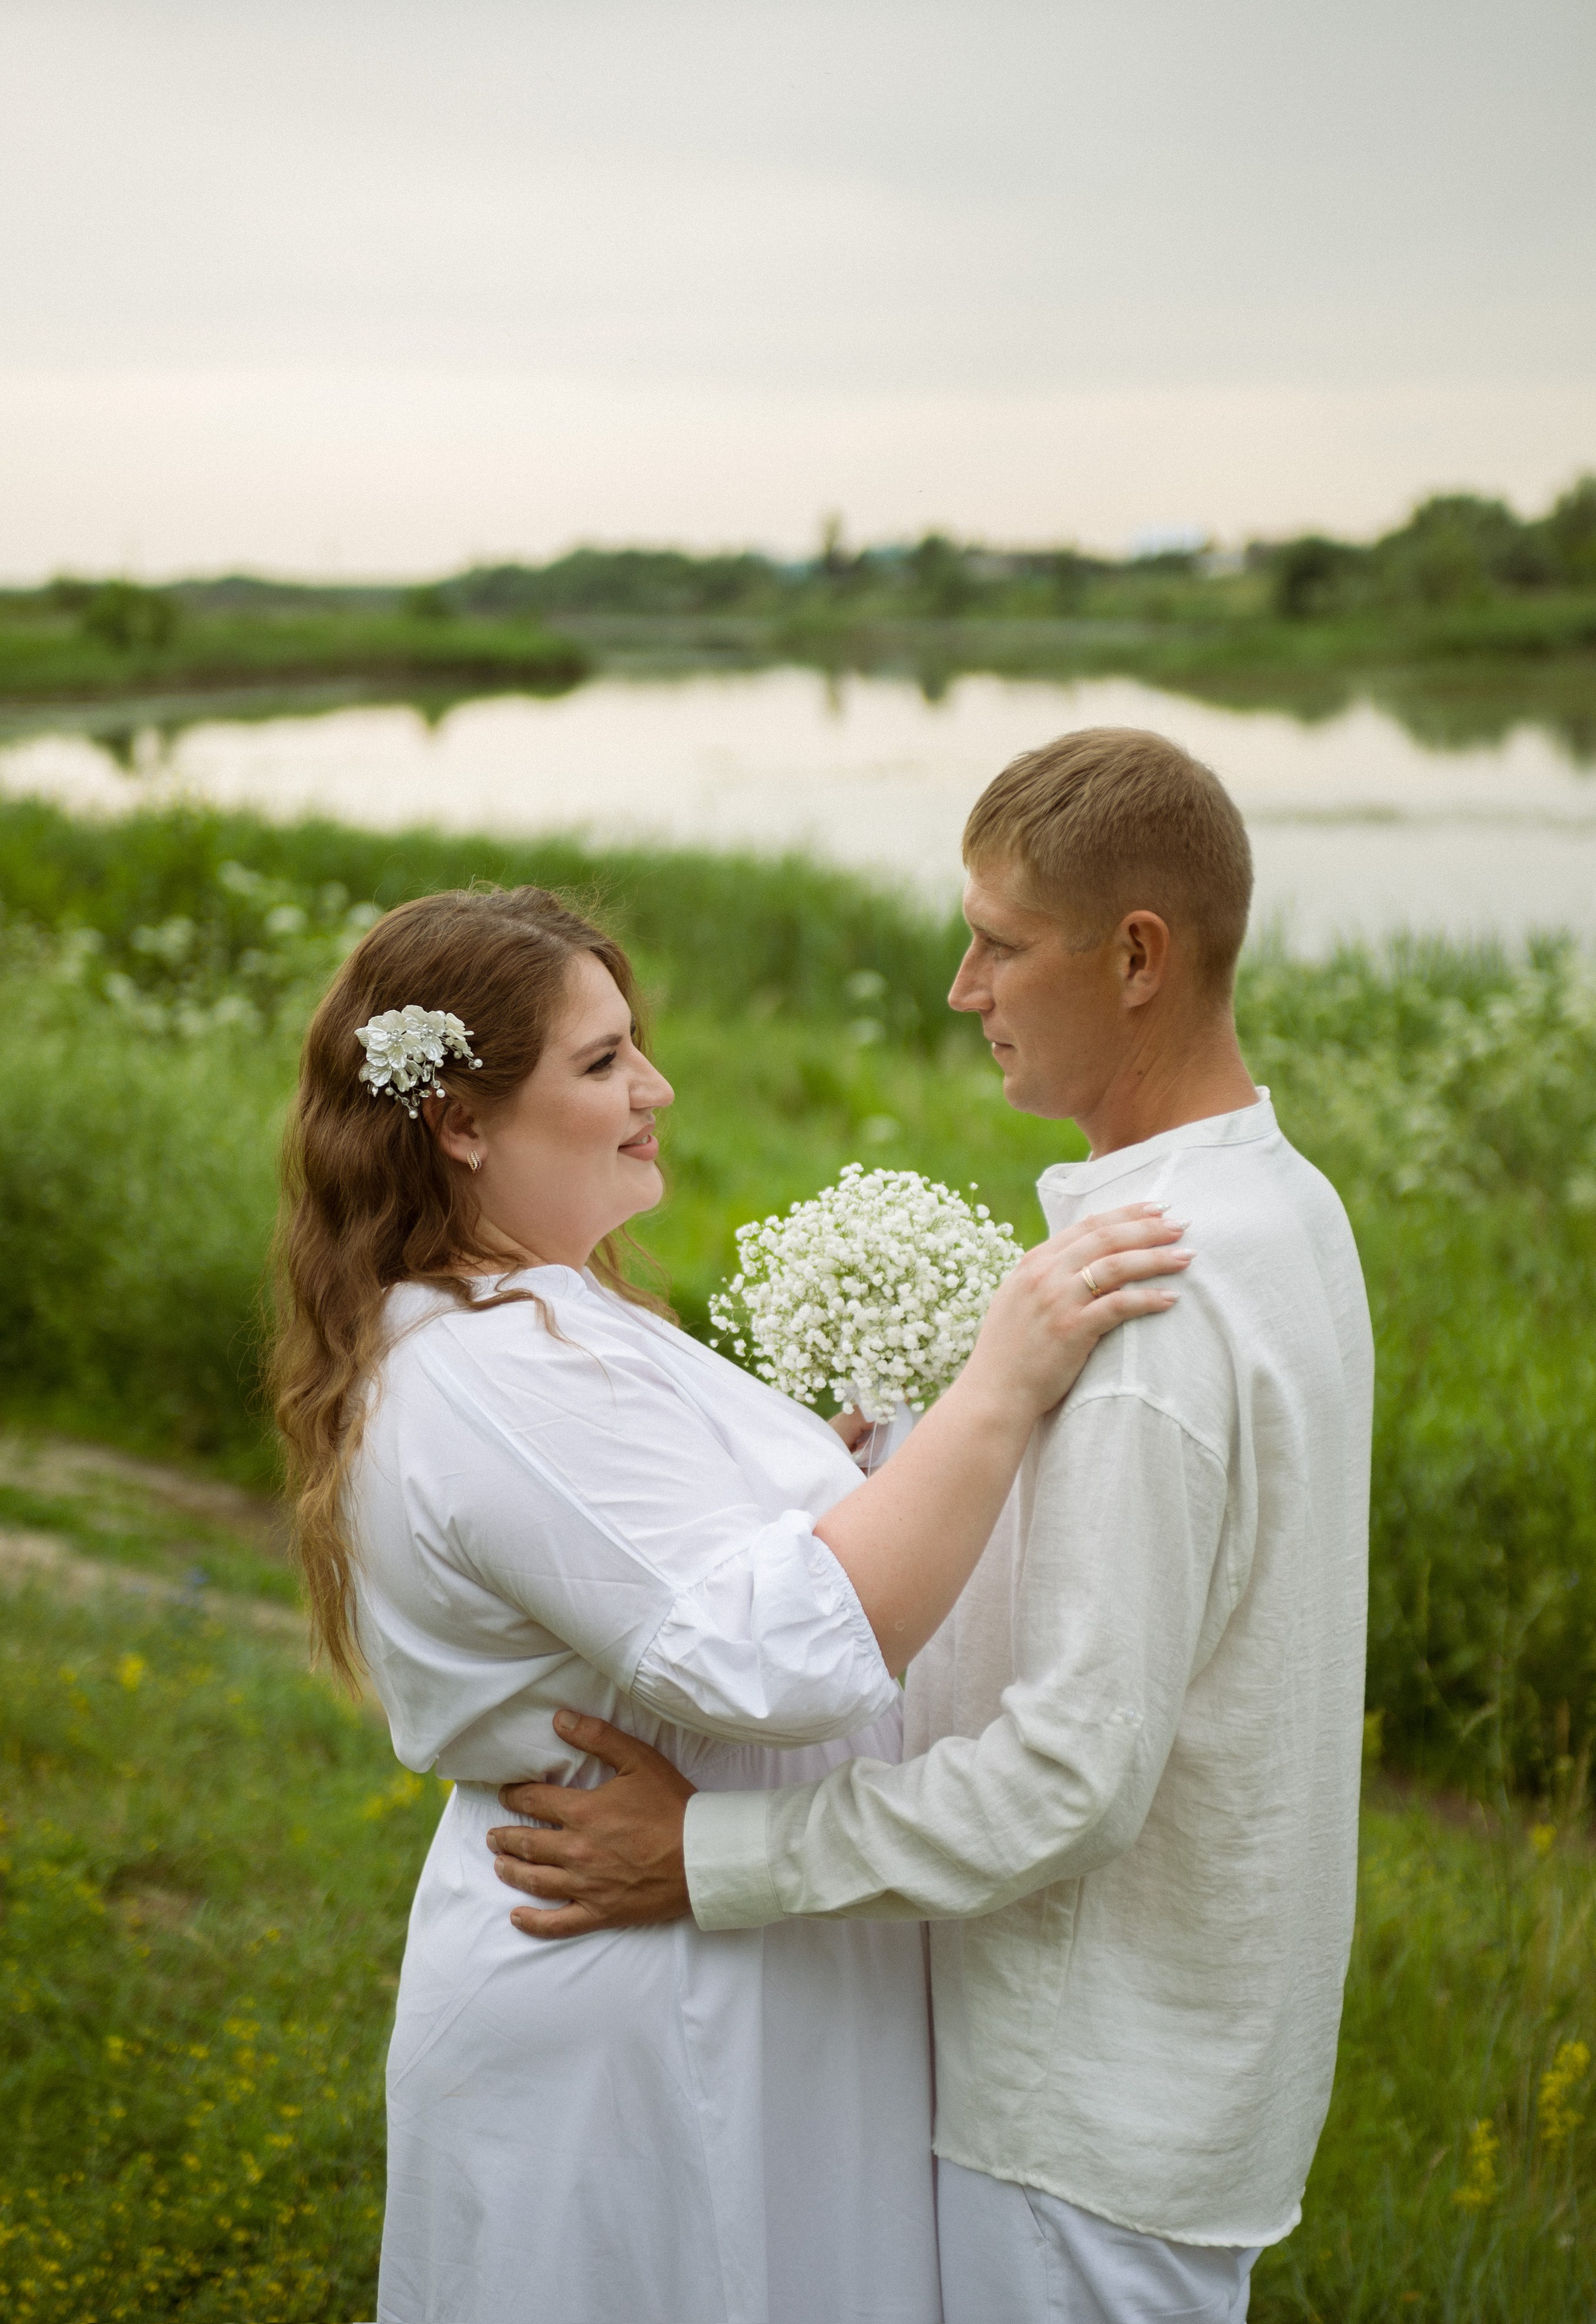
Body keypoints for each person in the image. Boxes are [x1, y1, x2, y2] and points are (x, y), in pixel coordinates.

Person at [487, 730, 1375, 2324]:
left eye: (999, 944)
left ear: (1136, 958)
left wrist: (704, 1853)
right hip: (1177, 2072)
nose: (963, 988)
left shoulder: (1151, 1304)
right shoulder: (1280, 1206)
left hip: (1079, 2110)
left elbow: (1067, 1778)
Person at [270, 880, 1188, 2324]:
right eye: (601, 1062)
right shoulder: (493, 1371)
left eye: (633, 1045)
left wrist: (837, 1491)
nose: (655, 1088)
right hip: (646, 1998)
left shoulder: (548, 1312)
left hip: (724, 1955)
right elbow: (778, 1652)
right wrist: (1002, 1380)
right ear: (458, 1121)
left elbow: (681, 1567)